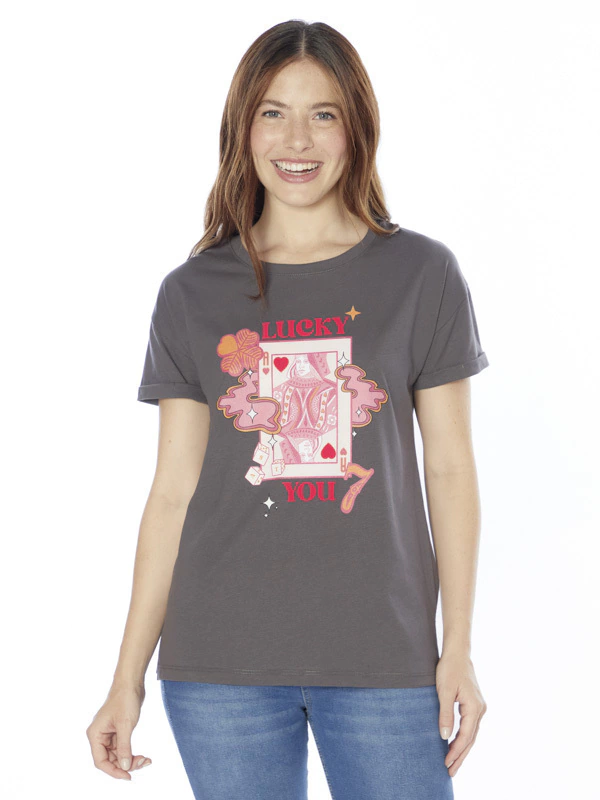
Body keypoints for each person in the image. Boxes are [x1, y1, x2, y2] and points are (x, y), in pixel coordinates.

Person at [86, 19, 489, 799]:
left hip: (386, 658)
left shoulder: (421, 273)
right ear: (243, 128)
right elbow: (173, 493)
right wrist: (125, 677)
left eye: (322, 113)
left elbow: (449, 467)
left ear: (357, 127)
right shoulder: (193, 292)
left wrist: (459, 647)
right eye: (272, 112)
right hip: (219, 665)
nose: (296, 139)